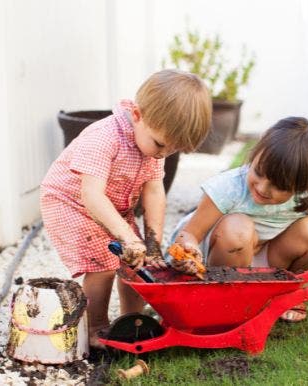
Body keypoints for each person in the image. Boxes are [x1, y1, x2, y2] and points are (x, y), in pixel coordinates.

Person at [40, 69, 212, 347]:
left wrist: (152, 244)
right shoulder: (103, 137)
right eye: (159, 145)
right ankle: (95, 328)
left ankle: (132, 321)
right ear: (136, 115)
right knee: (103, 264)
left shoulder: (154, 143)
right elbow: (91, 195)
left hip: (112, 209)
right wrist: (128, 237)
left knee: (138, 261)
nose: (162, 154)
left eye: (171, 150)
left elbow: (155, 192)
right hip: (71, 203)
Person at [168, 116, 308, 322]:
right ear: (255, 153)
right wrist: (188, 250)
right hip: (211, 262)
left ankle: (285, 292)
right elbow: (188, 234)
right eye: (258, 172)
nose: (262, 188)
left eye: (279, 186)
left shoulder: (305, 197)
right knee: (238, 228)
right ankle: (225, 299)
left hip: (259, 258)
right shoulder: (228, 188)